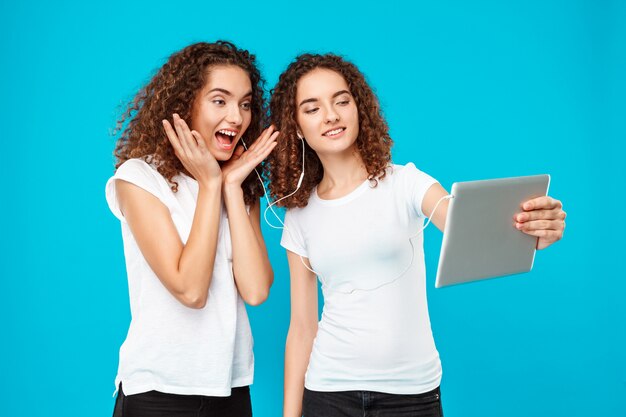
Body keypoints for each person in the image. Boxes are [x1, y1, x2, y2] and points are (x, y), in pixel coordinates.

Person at [267, 53, 566, 417]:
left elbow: (465, 225)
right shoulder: (299, 214)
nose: (331, 115)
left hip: (412, 395)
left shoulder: (406, 182)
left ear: (358, 108)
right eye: (312, 108)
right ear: (297, 126)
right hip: (328, 392)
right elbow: (301, 327)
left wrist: (532, 232)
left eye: (341, 101)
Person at [105, 41, 278, 417]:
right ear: (185, 105)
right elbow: (190, 289)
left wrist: (231, 187)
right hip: (158, 392)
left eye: (246, 104)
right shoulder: (139, 178)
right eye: (220, 101)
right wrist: (211, 186)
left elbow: (256, 289)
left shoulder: (240, 184)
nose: (236, 117)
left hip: (230, 387)